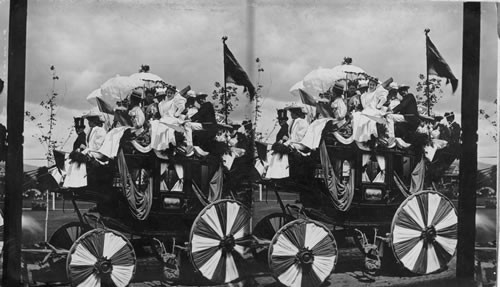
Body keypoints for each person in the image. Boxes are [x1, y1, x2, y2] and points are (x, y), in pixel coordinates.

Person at [351, 77, 389, 142]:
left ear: (376, 86)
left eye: (373, 85)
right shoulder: (364, 95)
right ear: (368, 84)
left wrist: (379, 105)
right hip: (366, 110)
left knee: (365, 118)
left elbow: (384, 98)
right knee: (356, 116)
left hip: (374, 110)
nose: (371, 86)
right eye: (370, 84)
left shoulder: (377, 92)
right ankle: (358, 137)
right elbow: (364, 105)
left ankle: (365, 138)